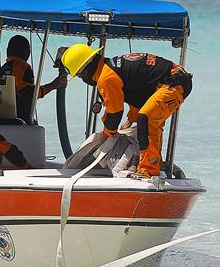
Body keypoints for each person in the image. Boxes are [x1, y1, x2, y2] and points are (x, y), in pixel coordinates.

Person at [60, 43, 192, 178]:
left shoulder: (106, 78)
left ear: (85, 71)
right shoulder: (110, 68)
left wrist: (107, 134)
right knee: (147, 120)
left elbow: (114, 112)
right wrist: (130, 119)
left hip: (174, 82)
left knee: (146, 119)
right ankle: (152, 164)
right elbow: (139, 93)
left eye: (80, 76)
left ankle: (149, 170)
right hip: (173, 80)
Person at [0, 35, 67, 124]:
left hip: (2, 120)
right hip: (19, 122)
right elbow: (29, 93)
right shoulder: (22, 67)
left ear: (7, 51)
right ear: (28, 53)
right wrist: (54, 84)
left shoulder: (0, 70)